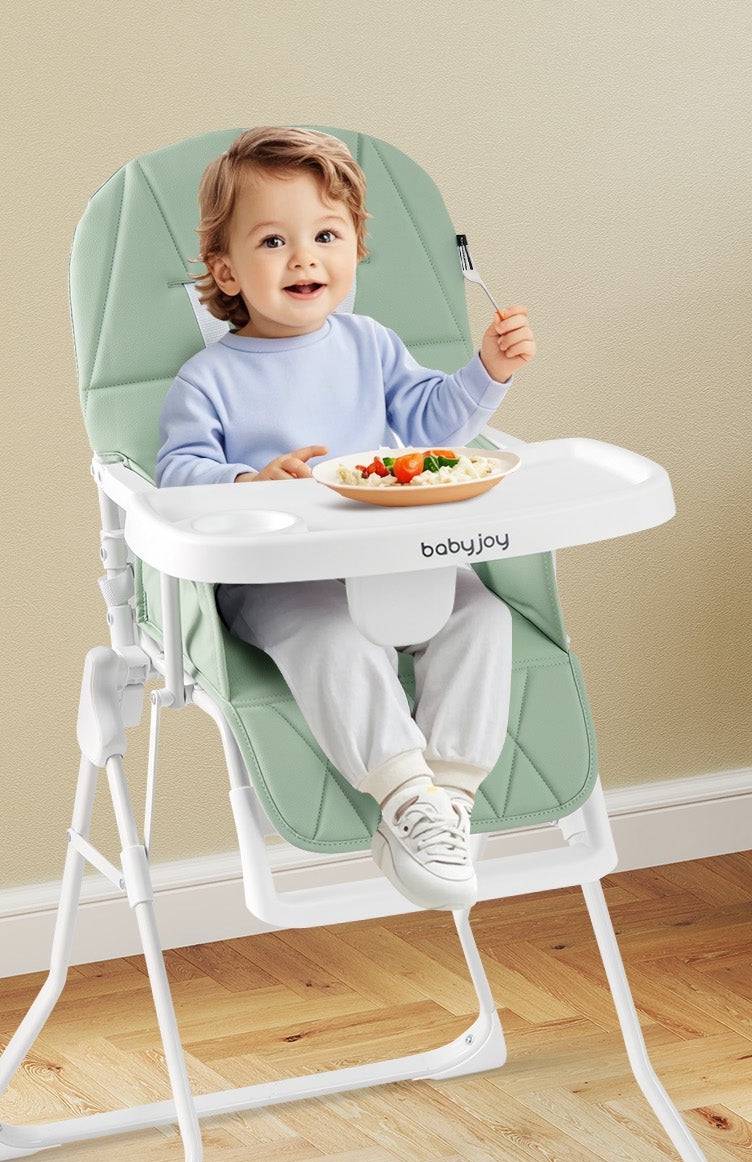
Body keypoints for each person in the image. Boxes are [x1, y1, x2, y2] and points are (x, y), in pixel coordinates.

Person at [156, 127, 534, 910]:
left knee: (481, 617)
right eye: (274, 240)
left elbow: (433, 429)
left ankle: (448, 800)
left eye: (326, 235)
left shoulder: (371, 345)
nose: (305, 258)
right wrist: (250, 479)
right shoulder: (209, 379)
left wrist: (487, 369)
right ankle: (402, 792)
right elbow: (178, 475)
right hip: (280, 579)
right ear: (226, 268)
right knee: (331, 640)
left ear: (356, 248)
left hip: (390, 554)